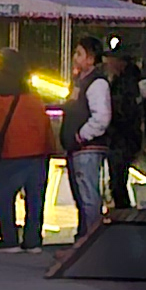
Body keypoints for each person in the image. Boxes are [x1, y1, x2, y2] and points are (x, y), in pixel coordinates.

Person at [0, 51, 57, 254]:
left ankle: (9, 237)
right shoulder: (34, 97)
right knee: (35, 199)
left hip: (11, 153)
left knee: (1, 195)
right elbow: (45, 126)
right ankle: (33, 240)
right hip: (39, 154)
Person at [61, 39, 114, 241]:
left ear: (91, 59)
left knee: (89, 196)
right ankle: (84, 236)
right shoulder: (80, 82)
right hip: (77, 147)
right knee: (81, 195)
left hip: (87, 148)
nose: (75, 57)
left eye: (80, 53)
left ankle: (93, 239)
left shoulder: (97, 83)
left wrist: (81, 135)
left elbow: (101, 116)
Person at [102, 51, 145, 211]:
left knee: (118, 177)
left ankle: (122, 210)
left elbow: (124, 110)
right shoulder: (127, 80)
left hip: (122, 136)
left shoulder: (126, 84)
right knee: (118, 177)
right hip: (124, 136)